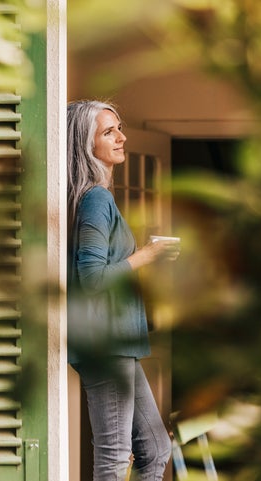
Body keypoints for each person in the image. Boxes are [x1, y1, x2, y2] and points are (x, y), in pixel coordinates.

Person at [67, 99, 179, 481]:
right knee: (115, 457)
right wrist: (146, 256)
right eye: (108, 131)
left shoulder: (96, 197)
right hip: (106, 343)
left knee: (156, 448)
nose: (122, 137)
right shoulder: (95, 199)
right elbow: (92, 278)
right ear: (86, 145)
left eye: (119, 128)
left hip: (120, 343)